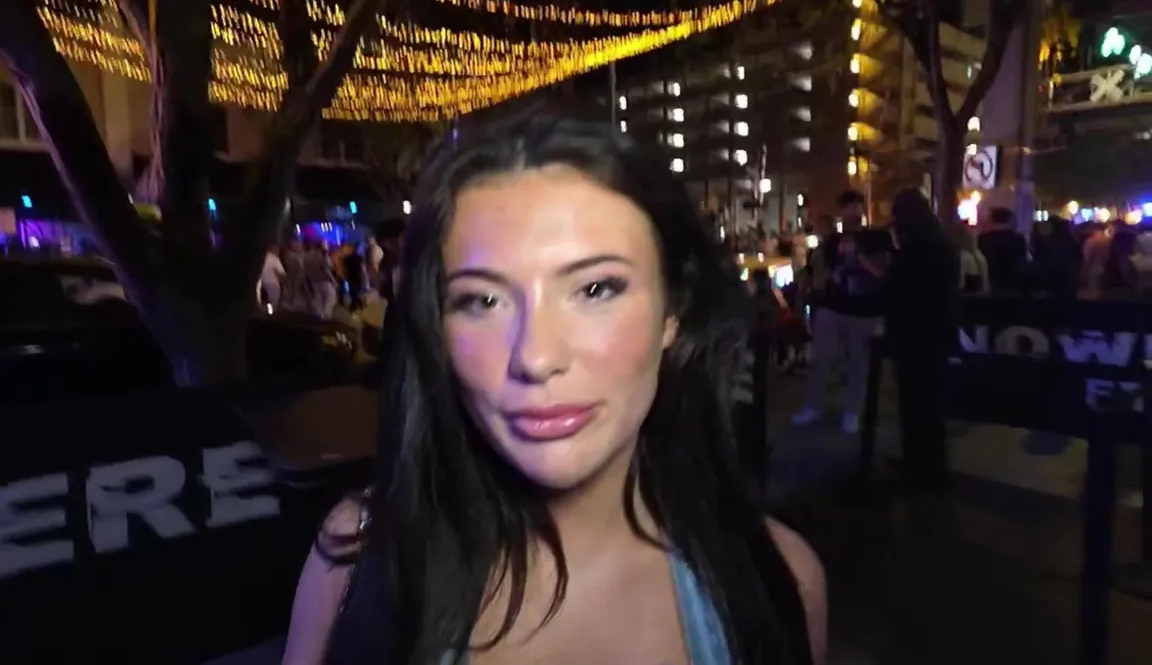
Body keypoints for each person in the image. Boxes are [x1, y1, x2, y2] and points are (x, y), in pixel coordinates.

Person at [282, 114, 826, 665]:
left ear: (673, 311)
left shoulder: (776, 580)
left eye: (595, 289)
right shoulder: (358, 557)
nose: (536, 358)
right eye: (483, 301)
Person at [792, 191, 887, 434]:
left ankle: (852, 411)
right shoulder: (832, 241)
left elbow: (882, 272)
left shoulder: (875, 237)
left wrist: (860, 256)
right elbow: (818, 271)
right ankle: (813, 405)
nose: (851, 212)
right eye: (847, 207)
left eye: (855, 207)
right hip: (832, 306)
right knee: (821, 359)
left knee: (857, 362)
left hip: (863, 309)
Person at [885, 188, 959, 494]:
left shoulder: (915, 249)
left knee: (915, 407)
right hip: (935, 334)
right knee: (930, 408)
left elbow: (900, 290)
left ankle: (920, 471)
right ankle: (929, 468)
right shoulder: (943, 244)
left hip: (914, 335)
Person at [976, 207, 1027, 294]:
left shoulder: (983, 239)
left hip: (990, 284)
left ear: (992, 220)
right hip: (1013, 285)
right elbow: (1022, 262)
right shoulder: (1018, 239)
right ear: (1009, 220)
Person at [954, 226, 988, 294]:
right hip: (980, 295)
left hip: (966, 296)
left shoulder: (963, 257)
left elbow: (960, 283)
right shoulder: (980, 256)